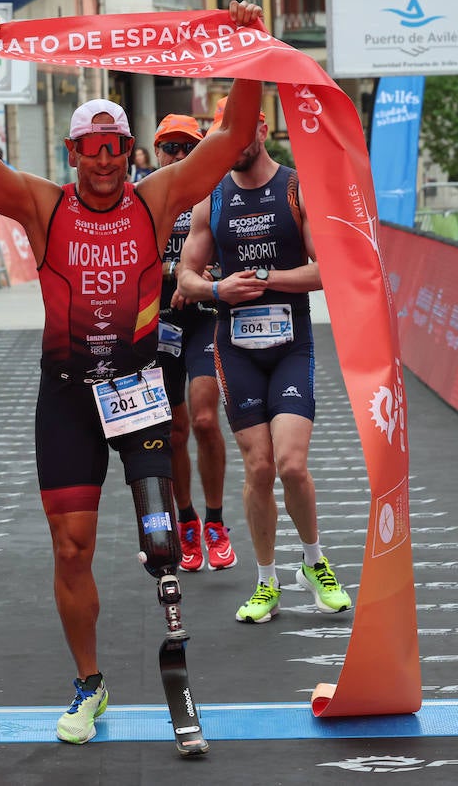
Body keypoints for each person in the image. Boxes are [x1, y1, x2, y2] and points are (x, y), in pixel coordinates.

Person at [0, 1, 265, 747]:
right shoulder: (43, 206)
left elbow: (227, 139)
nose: (103, 160)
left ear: (130, 153)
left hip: (136, 395)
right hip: (66, 399)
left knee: (161, 538)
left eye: (114, 149)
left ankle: (177, 662)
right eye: (91, 149)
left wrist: (248, 51)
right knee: (70, 547)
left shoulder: (155, 202)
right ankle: (89, 684)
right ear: (72, 152)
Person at [177, 96, 353, 625]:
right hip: (236, 351)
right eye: (221, 135)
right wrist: (215, 288)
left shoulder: (296, 188)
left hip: (291, 345)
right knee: (258, 466)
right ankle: (266, 581)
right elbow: (187, 277)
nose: (231, 145)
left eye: (238, 133)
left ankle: (315, 563)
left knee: (292, 464)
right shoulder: (213, 198)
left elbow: (327, 271)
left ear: (261, 128)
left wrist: (263, 281)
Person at [142, 114, 234, 573]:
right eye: (170, 148)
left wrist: (198, 279)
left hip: (202, 317)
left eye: (187, 148)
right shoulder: (143, 196)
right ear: (156, 151)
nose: (178, 156)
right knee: (173, 430)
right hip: (158, 322)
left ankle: (216, 521)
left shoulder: (215, 193)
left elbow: (231, 256)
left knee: (202, 417)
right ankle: (187, 521)